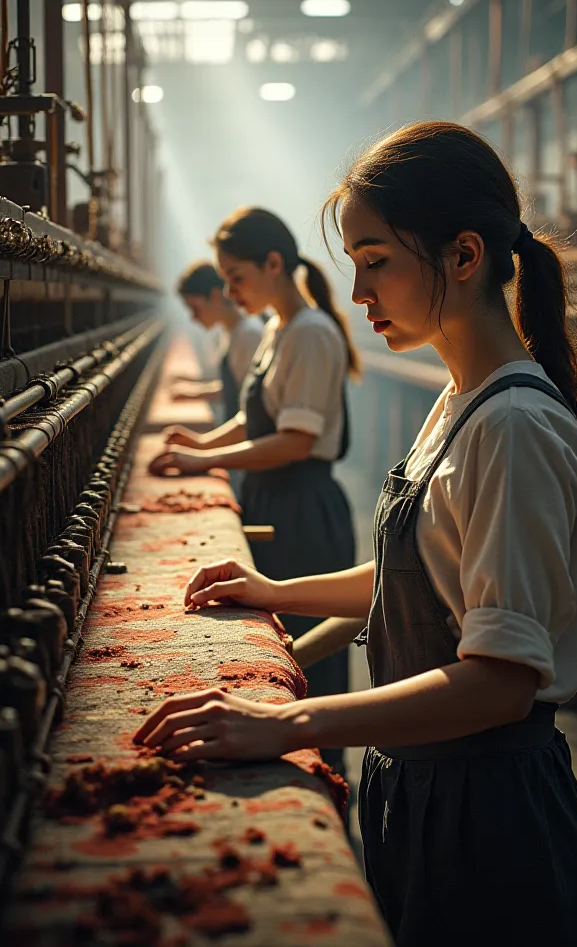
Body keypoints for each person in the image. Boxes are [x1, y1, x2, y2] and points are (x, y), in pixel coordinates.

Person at [137, 123, 577, 947]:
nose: (357, 294)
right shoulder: (463, 403)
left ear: (463, 256)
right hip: (421, 781)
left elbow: (498, 683)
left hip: (484, 813)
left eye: (376, 260)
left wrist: (294, 723)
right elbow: (417, 573)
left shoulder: (516, 428)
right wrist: (276, 597)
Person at [148, 208, 360, 766]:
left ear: (273, 264)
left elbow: (293, 441)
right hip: (275, 495)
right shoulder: (278, 329)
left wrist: (203, 461)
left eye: (236, 277)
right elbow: (254, 418)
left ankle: (326, 776)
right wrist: (201, 447)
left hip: (303, 504)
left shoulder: (311, 334)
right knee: (281, 641)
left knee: (307, 648)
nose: (229, 290)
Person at [170, 260, 263, 421]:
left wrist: (195, 392)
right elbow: (234, 388)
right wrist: (194, 389)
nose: (194, 317)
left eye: (195, 308)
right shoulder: (230, 332)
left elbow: (254, 399)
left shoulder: (248, 335)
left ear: (215, 296)